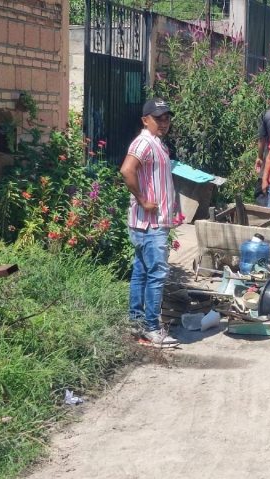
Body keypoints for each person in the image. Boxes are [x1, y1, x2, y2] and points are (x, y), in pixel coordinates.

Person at [119, 98, 179, 347]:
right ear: (145, 120)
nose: (163, 123)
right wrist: (143, 201)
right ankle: (151, 328)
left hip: (151, 222)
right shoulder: (144, 142)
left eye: (166, 118)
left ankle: (136, 323)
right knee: (156, 274)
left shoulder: (158, 144)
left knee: (142, 272)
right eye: (158, 119)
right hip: (149, 223)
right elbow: (126, 170)